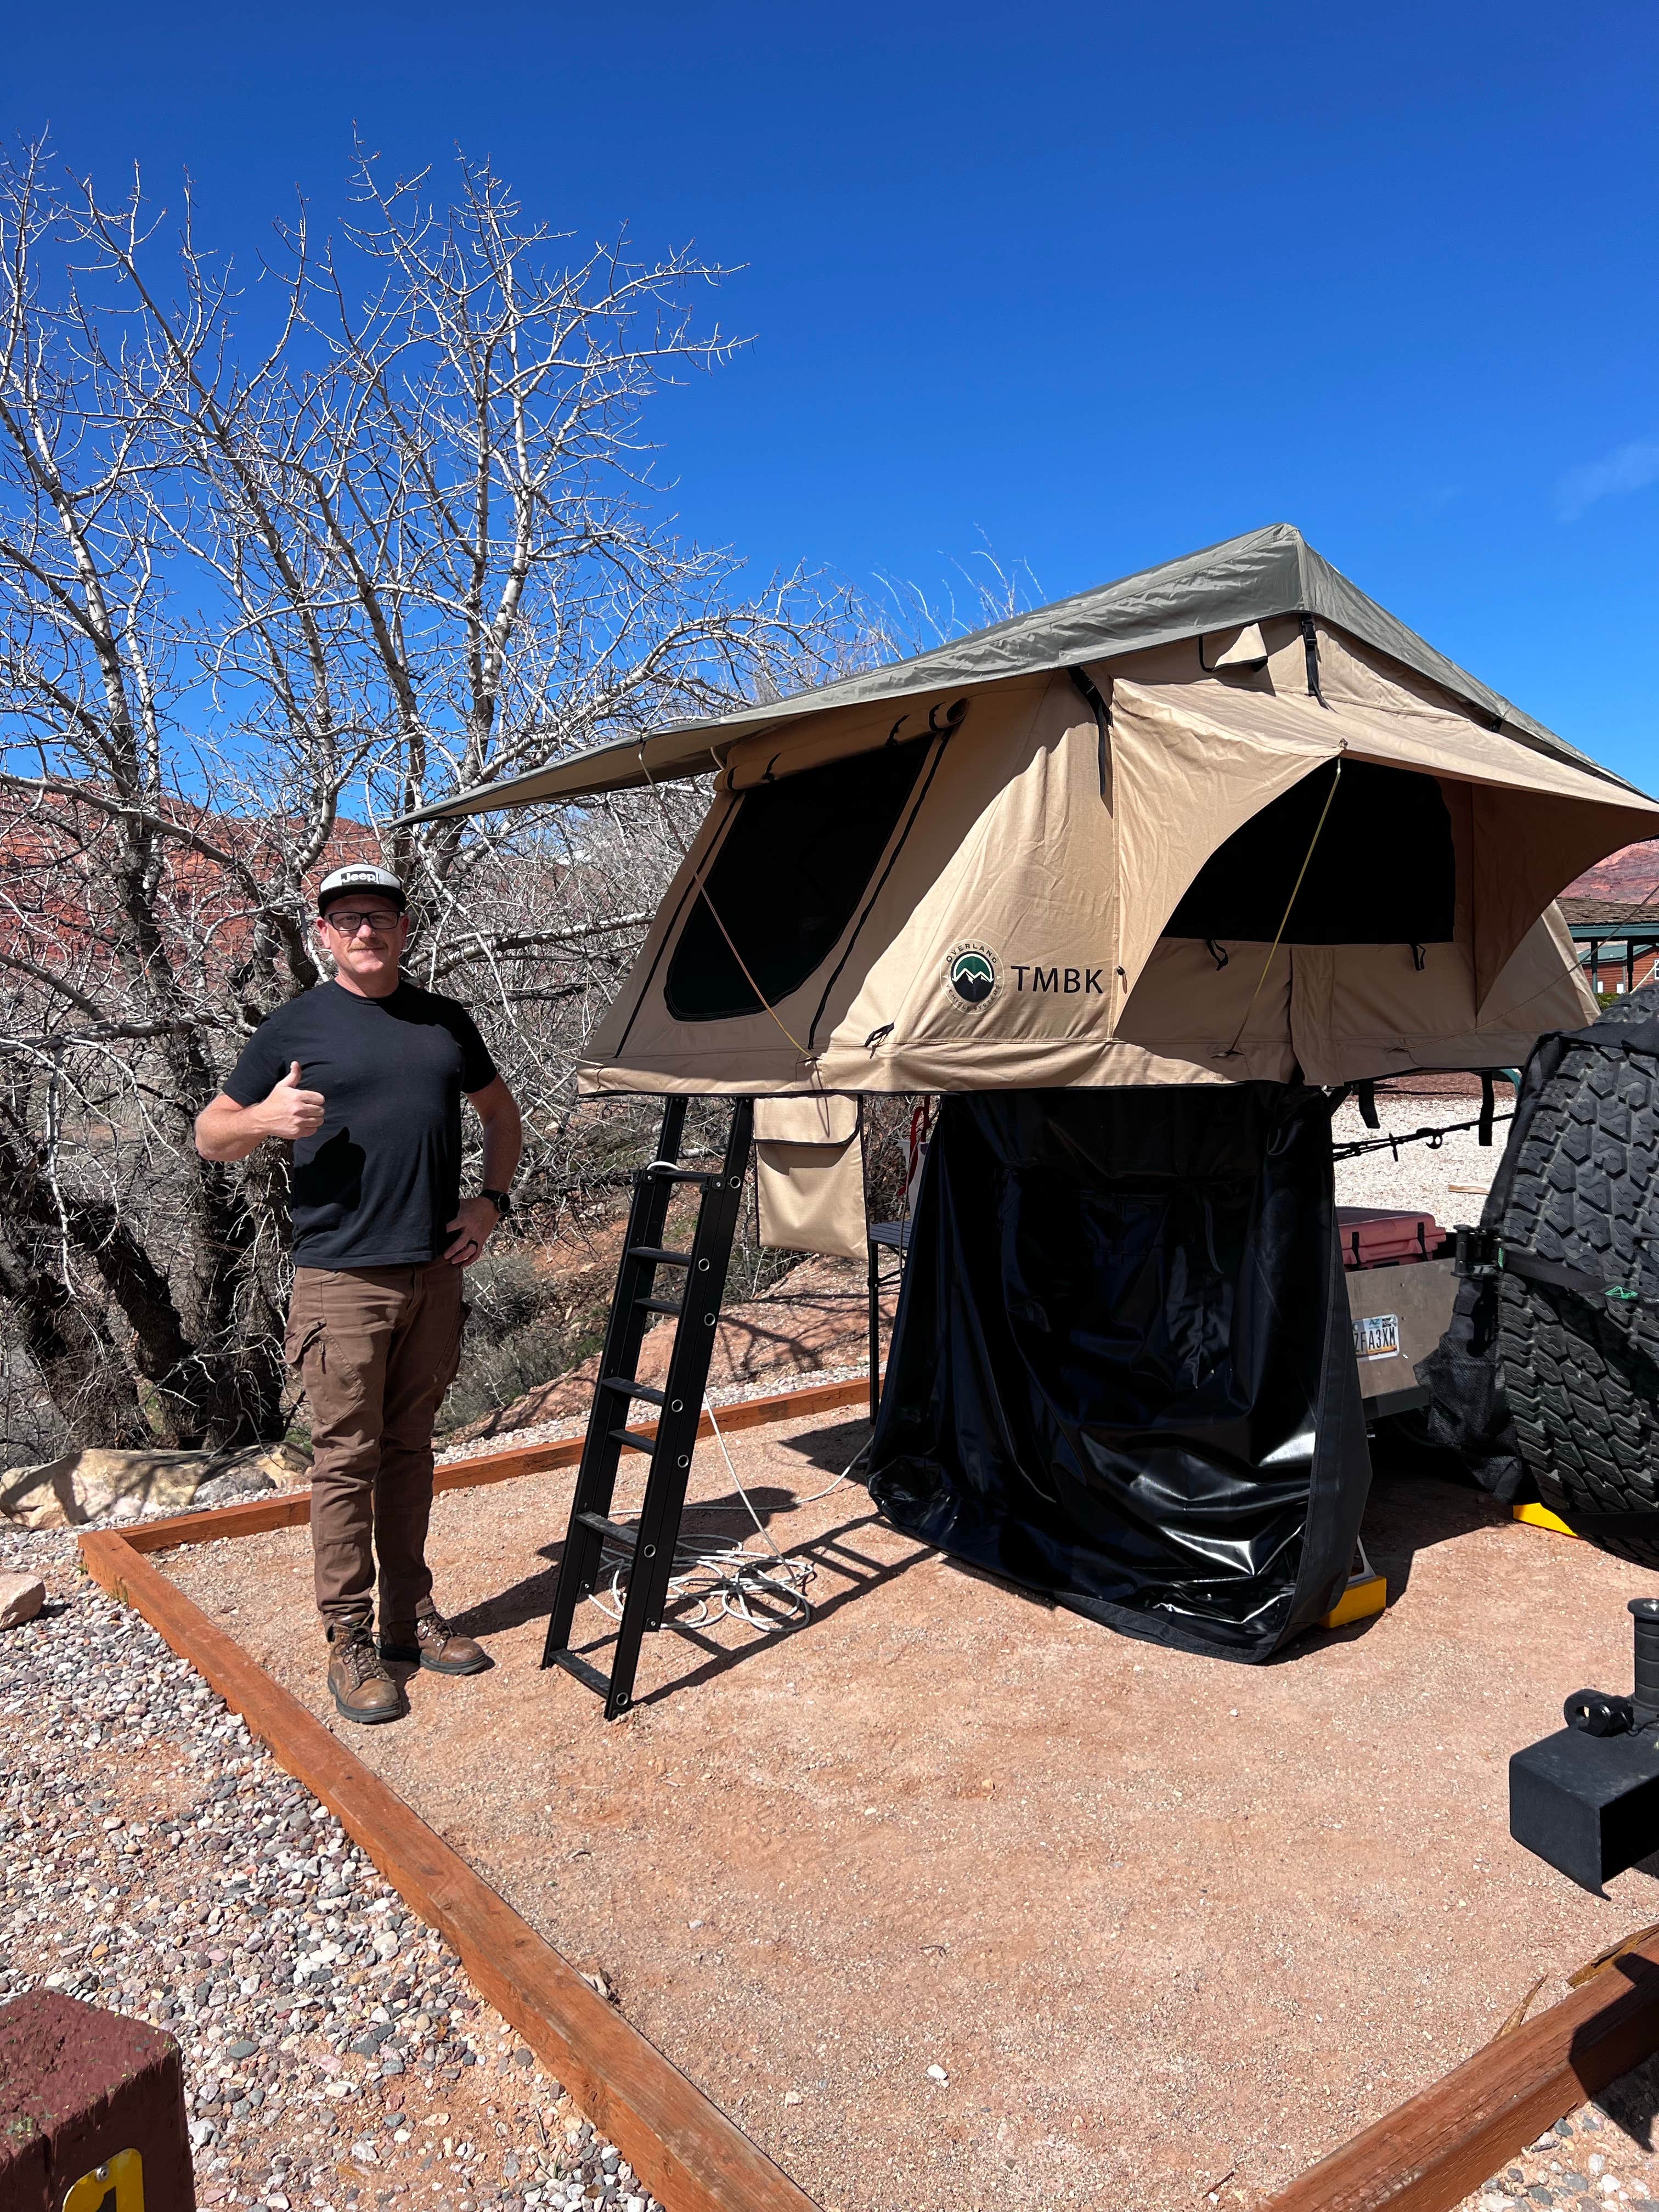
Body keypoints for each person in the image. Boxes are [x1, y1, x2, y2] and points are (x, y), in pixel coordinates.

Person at [194, 862, 523, 1724]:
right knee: (346, 1461)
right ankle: (349, 1638)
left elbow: (501, 1115)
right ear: (325, 936)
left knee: (411, 1450)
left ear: (404, 929)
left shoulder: (445, 1021)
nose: (365, 931)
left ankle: (410, 1616)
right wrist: (265, 1120)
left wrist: (489, 1205)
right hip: (340, 1278)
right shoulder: (295, 1026)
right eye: (347, 919)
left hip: (434, 1271)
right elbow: (211, 1132)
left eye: (379, 916)